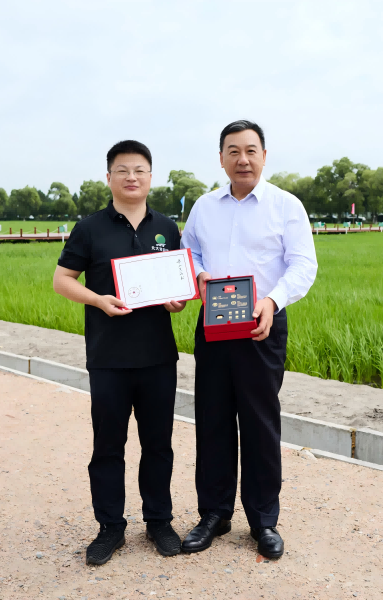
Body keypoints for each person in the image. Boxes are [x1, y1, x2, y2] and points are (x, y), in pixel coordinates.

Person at [180, 120, 317, 558]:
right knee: (213, 418)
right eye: (233, 151)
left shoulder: (286, 205)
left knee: (260, 422)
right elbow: (189, 250)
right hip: (214, 325)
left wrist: (273, 301)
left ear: (264, 155)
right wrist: (200, 273)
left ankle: (263, 521)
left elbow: (303, 264)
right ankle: (214, 514)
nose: (243, 159)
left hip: (262, 324)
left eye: (251, 150)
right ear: (221, 158)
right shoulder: (204, 206)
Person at [53, 140, 186, 565]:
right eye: (123, 170)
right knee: (108, 446)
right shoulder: (90, 228)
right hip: (108, 358)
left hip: (158, 357)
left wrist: (176, 302)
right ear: (109, 177)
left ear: (151, 177)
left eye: (140, 170)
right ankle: (110, 526)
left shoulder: (167, 227)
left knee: (158, 444)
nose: (132, 177)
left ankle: (159, 521)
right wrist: (98, 300)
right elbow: (62, 280)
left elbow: (176, 287)